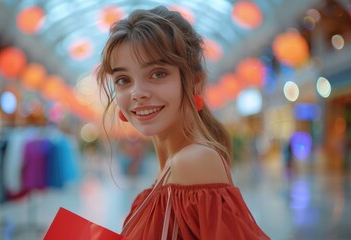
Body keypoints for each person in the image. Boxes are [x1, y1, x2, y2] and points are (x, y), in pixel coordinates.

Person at [96, 5, 270, 240]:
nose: (137, 93)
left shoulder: (192, 162)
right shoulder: (171, 166)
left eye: (157, 73)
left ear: (195, 82)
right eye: (123, 80)